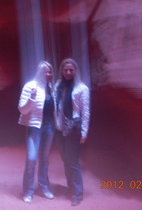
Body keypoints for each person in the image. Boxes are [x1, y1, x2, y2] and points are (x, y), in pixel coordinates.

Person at [18, 61, 55, 203]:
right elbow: (22, 109)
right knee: (32, 159)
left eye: (50, 72)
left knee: (44, 160)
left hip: (49, 127)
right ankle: (28, 191)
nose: (47, 74)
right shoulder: (30, 86)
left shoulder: (50, 87)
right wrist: (32, 99)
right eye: (45, 71)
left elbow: (54, 109)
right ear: (39, 72)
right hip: (34, 127)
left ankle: (44, 187)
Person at [54, 58, 90, 206]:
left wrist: (84, 132)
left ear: (75, 71)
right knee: (65, 159)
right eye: (65, 70)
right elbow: (56, 106)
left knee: (73, 161)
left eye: (71, 70)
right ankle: (71, 187)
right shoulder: (58, 86)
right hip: (59, 127)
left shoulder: (82, 88)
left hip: (73, 127)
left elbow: (85, 112)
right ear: (62, 71)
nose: (68, 72)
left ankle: (77, 193)